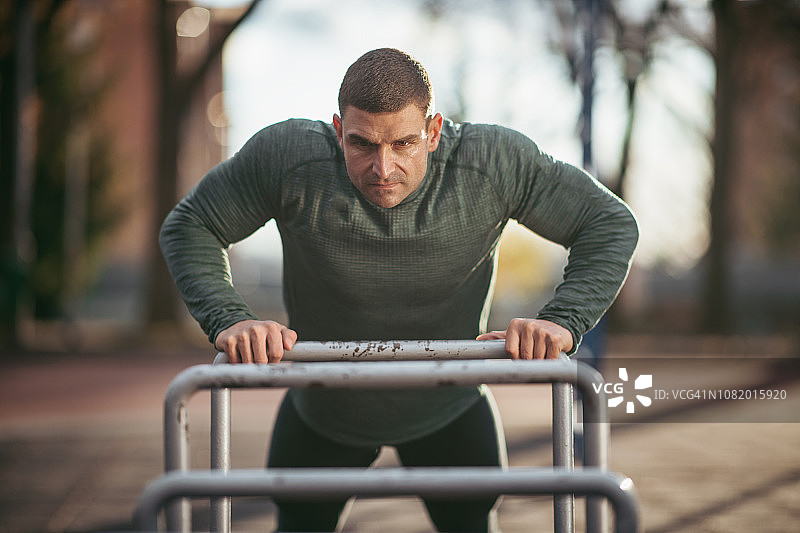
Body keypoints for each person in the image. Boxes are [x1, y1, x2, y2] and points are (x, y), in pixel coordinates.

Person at [160, 47, 638, 532]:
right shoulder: (291, 157)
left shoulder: (490, 163)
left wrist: (561, 321)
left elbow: (608, 223)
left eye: (404, 143)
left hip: (449, 404)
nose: (383, 168)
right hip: (325, 407)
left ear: (433, 132)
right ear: (337, 130)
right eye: (362, 144)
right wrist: (229, 317)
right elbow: (191, 224)